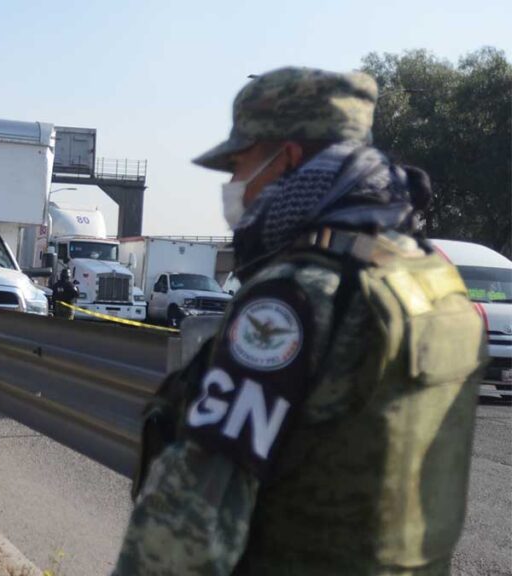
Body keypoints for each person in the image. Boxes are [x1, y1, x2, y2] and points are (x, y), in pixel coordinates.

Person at [115, 67, 487, 575]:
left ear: (285, 158)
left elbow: (188, 524)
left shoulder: (296, 296)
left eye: (239, 165)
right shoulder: (434, 278)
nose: (232, 186)